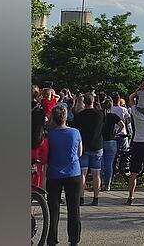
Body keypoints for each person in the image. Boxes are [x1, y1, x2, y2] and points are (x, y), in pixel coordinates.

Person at [44, 106, 83, 246]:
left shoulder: (49, 134)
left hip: (54, 174)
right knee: (74, 208)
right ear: (66, 117)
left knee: (53, 210)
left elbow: (46, 155)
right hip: (73, 173)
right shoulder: (75, 132)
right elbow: (79, 153)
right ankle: (74, 239)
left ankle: (52, 239)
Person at [73, 94, 104, 206]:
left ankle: (81, 197)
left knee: (82, 174)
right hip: (97, 145)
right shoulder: (99, 114)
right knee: (97, 174)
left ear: (84, 102)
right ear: (93, 101)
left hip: (84, 145)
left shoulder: (79, 115)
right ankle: (95, 198)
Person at [100, 99, 124, 191]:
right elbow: (122, 125)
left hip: (101, 140)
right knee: (109, 164)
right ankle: (108, 184)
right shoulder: (113, 116)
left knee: (101, 163)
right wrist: (116, 133)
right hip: (111, 140)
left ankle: (99, 183)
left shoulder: (101, 116)